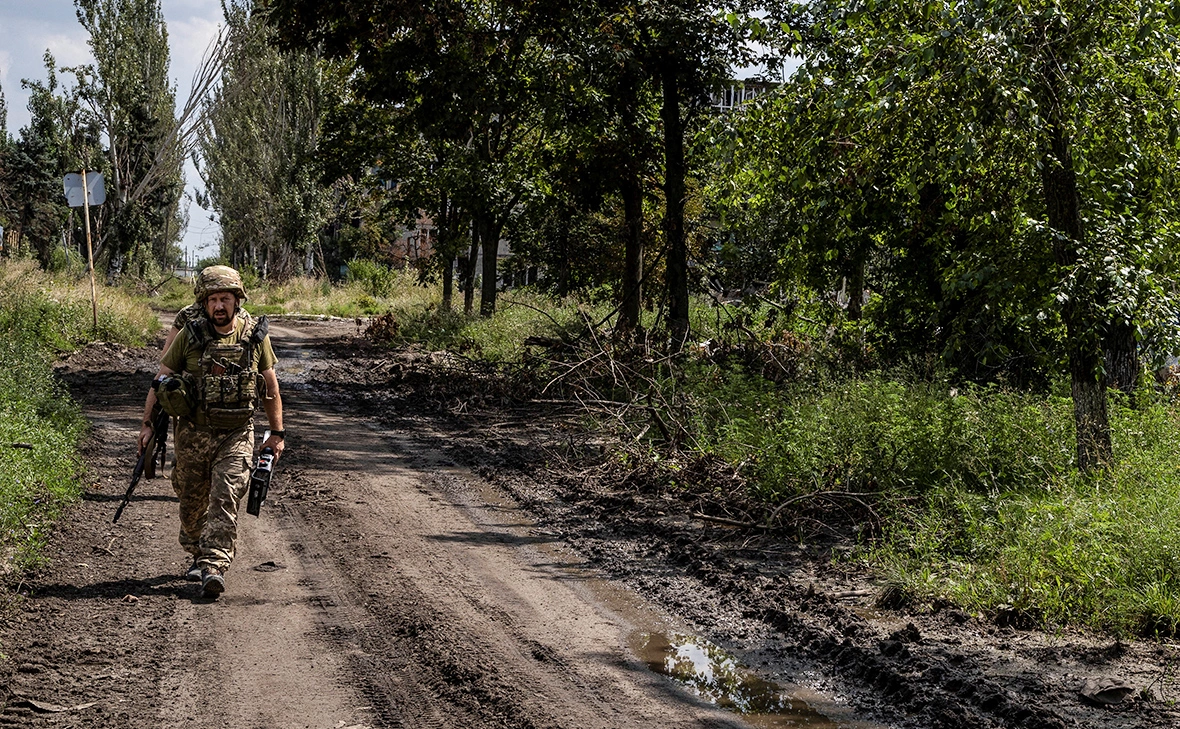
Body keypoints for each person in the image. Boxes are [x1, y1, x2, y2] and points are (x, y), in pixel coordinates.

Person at [138, 265, 286, 598]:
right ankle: (197, 548)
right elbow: (161, 379)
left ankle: (213, 566)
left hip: (237, 434)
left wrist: (277, 433)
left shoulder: (254, 336)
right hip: (193, 434)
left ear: (237, 300)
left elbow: (270, 387)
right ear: (204, 303)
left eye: (225, 299)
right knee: (191, 505)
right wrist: (147, 425)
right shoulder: (189, 335)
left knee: (225, 496)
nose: (219, 306)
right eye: (213, 300)